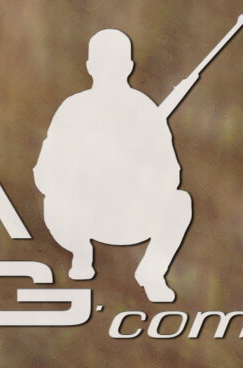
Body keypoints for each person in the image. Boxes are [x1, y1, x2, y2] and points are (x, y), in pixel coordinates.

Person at [41, 28, 196, 304]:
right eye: (102, 62)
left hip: (131, 216)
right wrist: (82, 181)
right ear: (90, 66)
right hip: (82, 216)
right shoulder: (72, 109)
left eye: (114, 62)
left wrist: (136, 176)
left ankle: (152, 272)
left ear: (129, 67)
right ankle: (81, 253)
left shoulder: (145, 110)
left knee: (179, 203)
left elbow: (171, 174)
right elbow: (44, 173)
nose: (108, 69)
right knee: (53, 202)